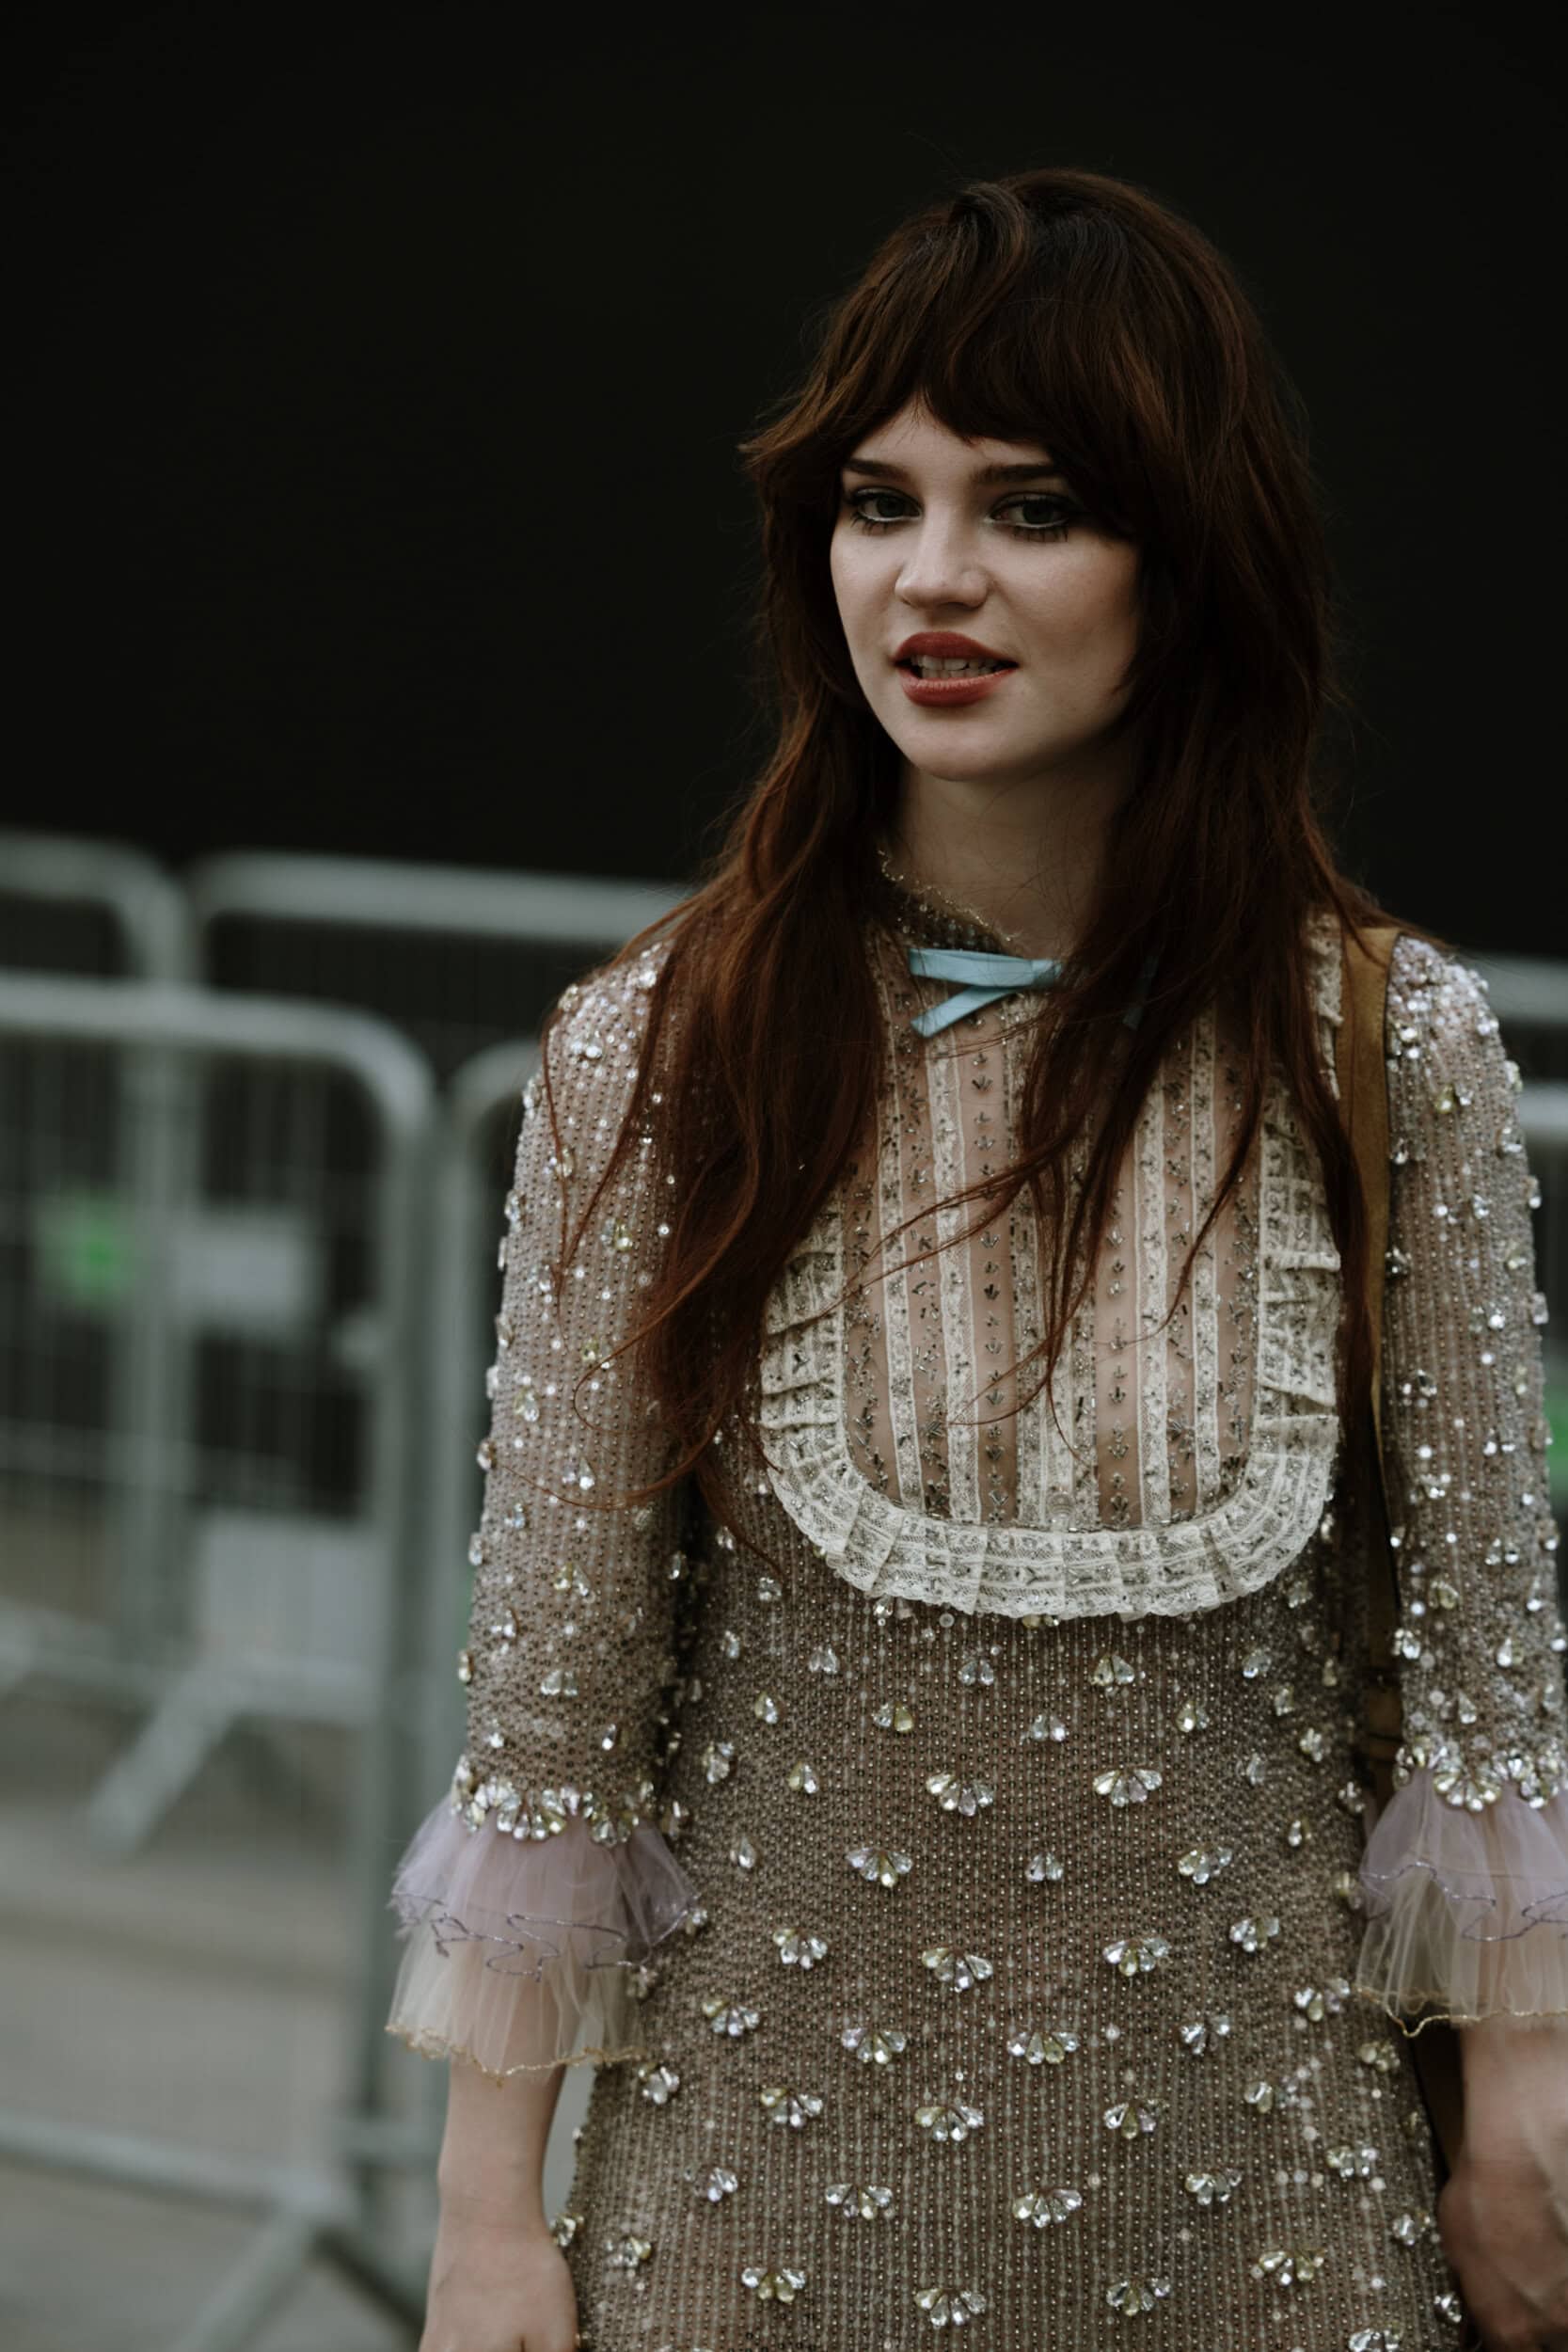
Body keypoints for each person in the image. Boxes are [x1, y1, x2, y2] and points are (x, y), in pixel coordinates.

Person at [384, 166, 1568, 2352]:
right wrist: (485, 2217)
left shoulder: (1387, 1041)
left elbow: (1484, 1651)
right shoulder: (663, 1041)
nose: (932, 575)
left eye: (1033, 506)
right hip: (747, 2218)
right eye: (878, 502)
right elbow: (558, 1693)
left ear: (1190, 559)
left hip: (1276, 2216)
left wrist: (1520, 2110)